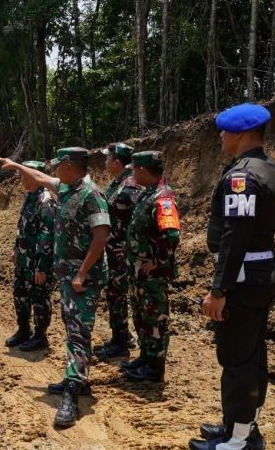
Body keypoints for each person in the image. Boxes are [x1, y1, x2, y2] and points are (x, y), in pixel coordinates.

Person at [189, 103, 275, 450]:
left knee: (237, 358)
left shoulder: (242, 177)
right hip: (262, 272)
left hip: (244, 277)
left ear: (241, 134)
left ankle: (239, 440)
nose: (220, 136)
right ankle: (239, 425)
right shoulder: (274, 169)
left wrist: (219, 290)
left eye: (224, 131)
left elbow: (235, 239)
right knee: (251, 353)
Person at [0, 147, 110, 428]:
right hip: (69, 276)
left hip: (83, 279)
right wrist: (16, 165)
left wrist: (82, 273)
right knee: (73, 327)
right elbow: (38, 175)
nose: (54, 171)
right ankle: (77, 379)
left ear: (69, 165)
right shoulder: (66, 187)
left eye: (58, 165)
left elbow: (101, 237)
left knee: (77, 333)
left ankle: (73, 393)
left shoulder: (91, 195)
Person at [121, 151, 180, 383]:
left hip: (152, 275)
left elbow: (172, 235)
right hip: (138, 273)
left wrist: (156, 262)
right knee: (142, 316)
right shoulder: (149, 194)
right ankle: (145, 357)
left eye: (134, 169)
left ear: (143, 170)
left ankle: (155, 367)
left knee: (155, 318)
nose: (132, 173)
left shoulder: (163, 199)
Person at [0, 160, 57, 351]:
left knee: (39, 298)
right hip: (24, 260)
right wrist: (16, 248)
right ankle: (23, 330)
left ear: (34, 177)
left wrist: (41, 267)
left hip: (38, 262)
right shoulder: (30, 197)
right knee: (20, 294)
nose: (21, 180)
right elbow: (22, 227)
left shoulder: (46, 201)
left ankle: (40, 336)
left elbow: (47, 237)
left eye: (24, 176)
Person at [95, 143, 143, 360]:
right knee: (114, 295)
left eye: (108, 159)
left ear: (117, 162)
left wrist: (130, 247)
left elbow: (139, 219)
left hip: (122, 252)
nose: (105, 163)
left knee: (117, 295)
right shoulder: (116, 184)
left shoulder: (131, 186)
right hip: (112, 250)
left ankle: (121, 341)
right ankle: (121, 335)